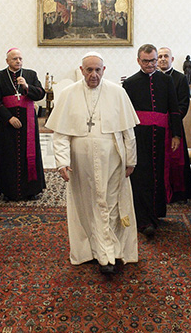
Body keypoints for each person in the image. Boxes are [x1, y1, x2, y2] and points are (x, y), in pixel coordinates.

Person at [48, 52, 139, 275]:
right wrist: (62, 162)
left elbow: (129, 132)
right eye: (89, 70)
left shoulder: (118, 92)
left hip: (113, 162)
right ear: (81, 70)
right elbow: (60, 134)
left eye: (98, 70)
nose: (94, 74)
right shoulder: (69, 94)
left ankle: (110, 252)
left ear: (104, 70)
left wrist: (131, 160)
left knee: (111, 204)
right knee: (86, 206)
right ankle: (91, 251)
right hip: (81, 165)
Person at [123, 44, 183, 238]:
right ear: (139, 60)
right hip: (139, 136)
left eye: (154, 60)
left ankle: (157, 213)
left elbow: (174, 108)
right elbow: (126, 114)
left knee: (158, 175)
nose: (151, 65)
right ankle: (143, 219)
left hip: (161, 136)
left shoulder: (166, 81)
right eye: (147, 61)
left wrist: (176, 135)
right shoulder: (130, 83)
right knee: (141, 176)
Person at [0, 47, 46, 201]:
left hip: (28, 122)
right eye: (14, 59)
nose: (18, 61)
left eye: (20, 58)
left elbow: (41, 93)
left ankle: (31, 189)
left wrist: (27, 87)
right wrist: (9, 118)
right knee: (7, 155)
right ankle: (7, 191)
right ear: (7, 61)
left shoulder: (30, 74)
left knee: (30, 154)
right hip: (7, 125)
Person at [157, 46, 191, 201]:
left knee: (176, 160)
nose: (163, 59)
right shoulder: (152, 77)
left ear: (172, 59)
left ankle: (177, 193)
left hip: (173, 127)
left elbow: (183, 104)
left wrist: (170, 119)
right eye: (160, 57)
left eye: (166, 56)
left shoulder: (180, 78)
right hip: (157, 127)